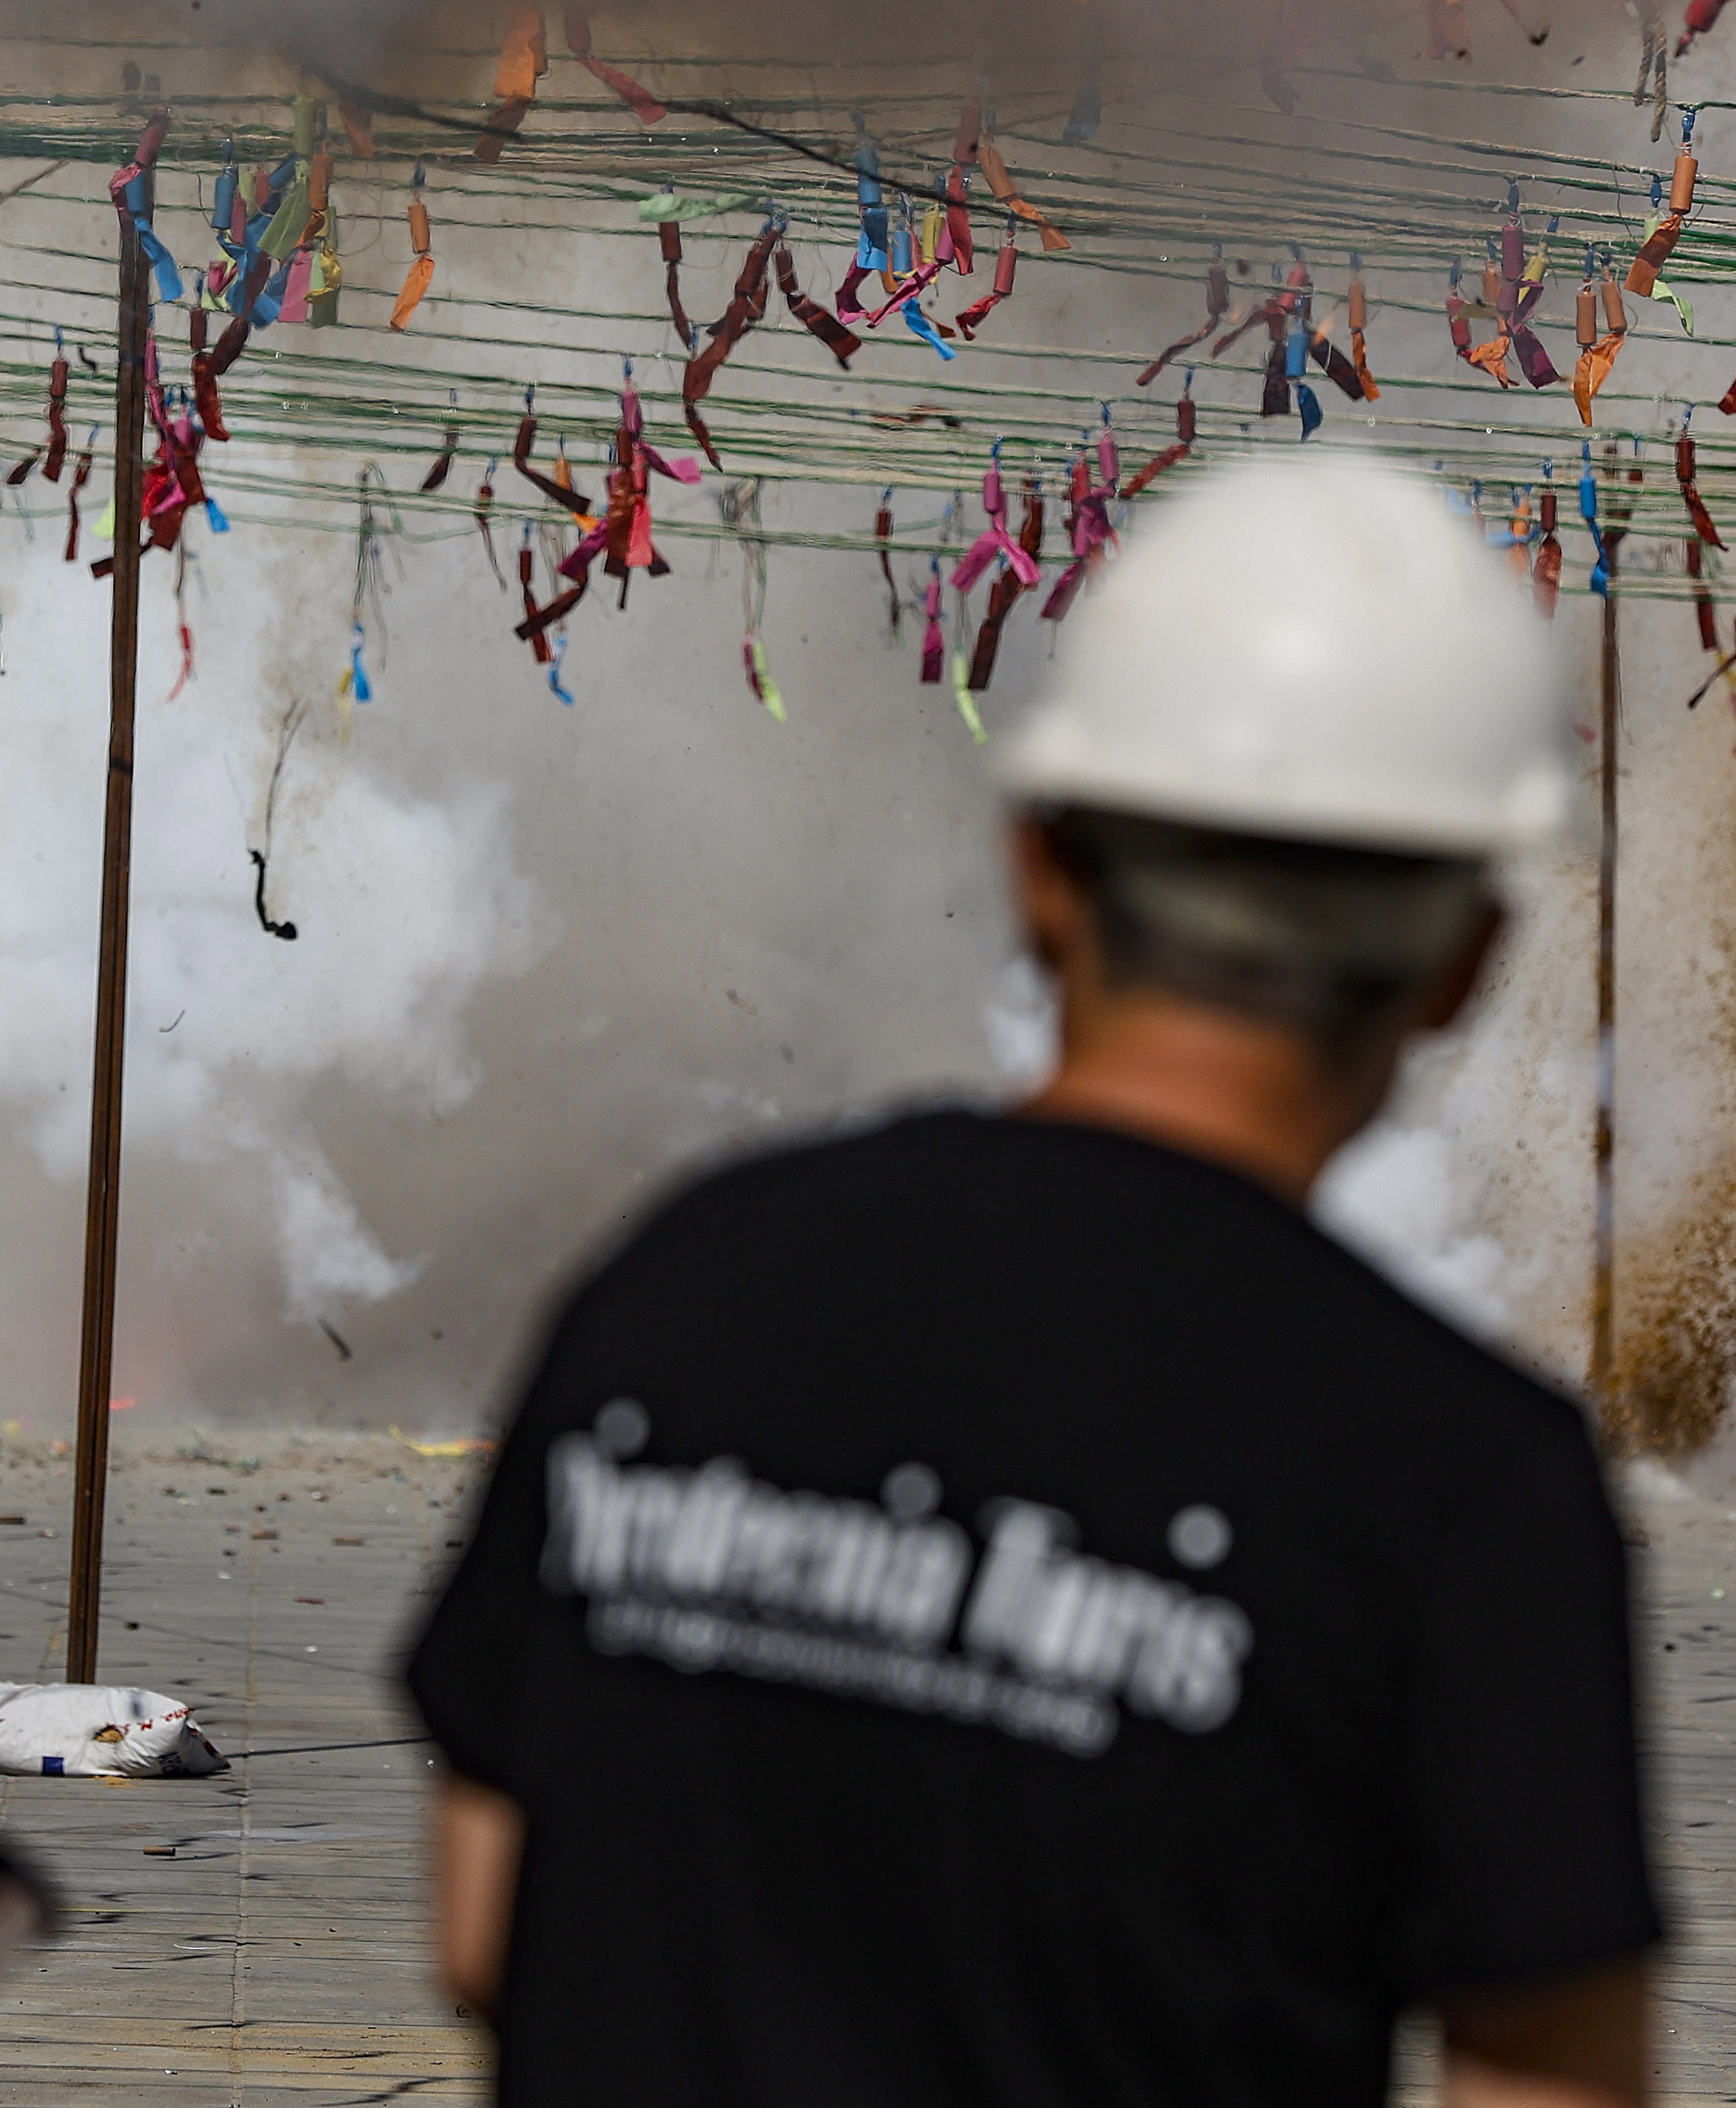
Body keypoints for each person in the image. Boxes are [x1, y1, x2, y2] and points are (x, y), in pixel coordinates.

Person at [405, 454, 1661, 2108]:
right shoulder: (1462, 1478)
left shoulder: (689, 1277)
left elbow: (484, 1919)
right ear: (1463, 966)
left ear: (1044, 871)